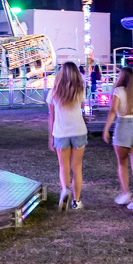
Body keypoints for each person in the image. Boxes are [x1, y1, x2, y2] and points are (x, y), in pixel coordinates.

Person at [102, 67, 133, 212]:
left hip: (123, 126)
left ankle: (125, 192)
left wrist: (106, 129)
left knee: (122, 163)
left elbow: (113, 111)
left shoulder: (118, 91)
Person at [47, 61, 87, 210]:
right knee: (77, 167)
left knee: (63, 166)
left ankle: (65, 190)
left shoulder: (54, 92)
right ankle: (76, 201)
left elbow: (52, 117)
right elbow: (82, 107)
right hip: (79, 131)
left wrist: (50, 137)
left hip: (61, 132)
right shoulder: (80, 91)